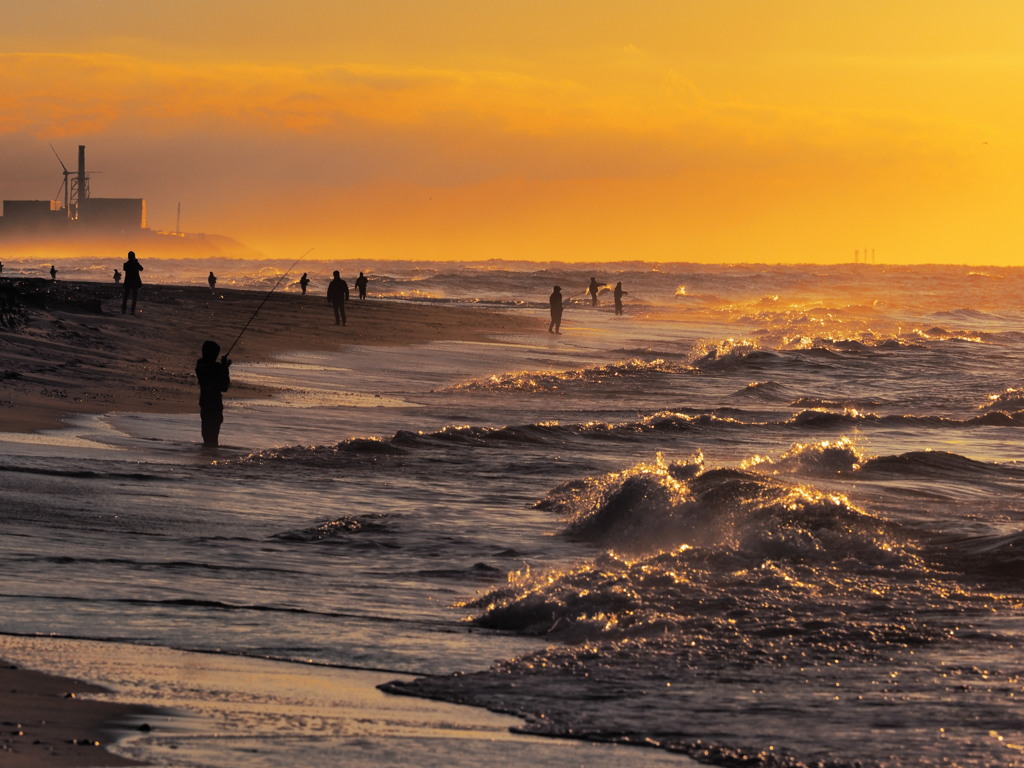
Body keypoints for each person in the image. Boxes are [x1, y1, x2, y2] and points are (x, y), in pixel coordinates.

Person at [195, 340, 231, 448]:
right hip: (214, 403)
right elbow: (224, 387)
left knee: (207, 432)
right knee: (212, 434)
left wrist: (223, 367)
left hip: (205, 401)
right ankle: (210, 456)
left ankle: (207, 456)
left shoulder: (200, 364)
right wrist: (225, 368)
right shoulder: (215, 367)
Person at [121, 250, 143, 315]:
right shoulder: (135, 263)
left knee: (125, 297)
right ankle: (132, 311)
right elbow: (141, 269)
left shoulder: (126, 264)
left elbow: (125, 269)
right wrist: (136, 262)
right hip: (135, 282)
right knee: (134, 297)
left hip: (128, 282)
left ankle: (123, 310)